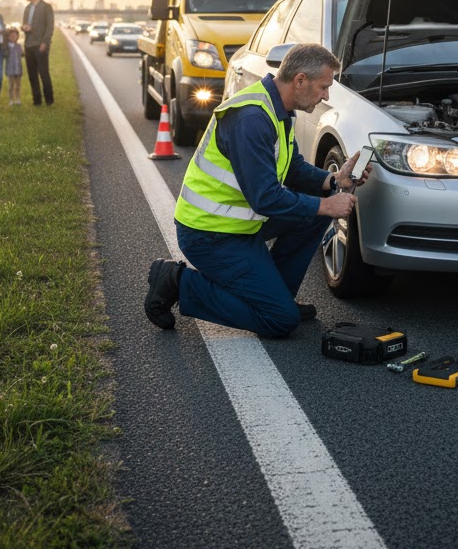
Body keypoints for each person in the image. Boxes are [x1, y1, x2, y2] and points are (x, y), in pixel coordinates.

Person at [143, 42, 368, 338]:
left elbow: (293, 168)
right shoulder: (251, 119)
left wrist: (336, 182)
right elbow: (265, 197)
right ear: (300, 80)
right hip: (210, 234)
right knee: (279, 321)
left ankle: (276, 296)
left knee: (321, 202)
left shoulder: (279, 109)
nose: (326, 95)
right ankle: (177, 281)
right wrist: (326, 206)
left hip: (240, 225)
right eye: (324, 87)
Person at [21, 0, 55, 106]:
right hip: (29, 45)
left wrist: (45, 43)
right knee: (32, 75)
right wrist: (24, 27)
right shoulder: (27, 8)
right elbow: (24, 24)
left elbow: (49, 27)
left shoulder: (46, 7)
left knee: (44, 73)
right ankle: (37, 101)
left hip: (40, 45)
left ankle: (49, 100)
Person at [4, 26, 24, 105]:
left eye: (15, 36)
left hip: (18, 68)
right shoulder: (7, 47)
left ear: (17, 37)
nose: (13, 37)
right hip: (10, 69)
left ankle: (18, 98)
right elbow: (4, 54)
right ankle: (11, 99)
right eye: (11, 36)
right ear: (8, 37)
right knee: (11, 85)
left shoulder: (18, 46)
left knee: (18, 85)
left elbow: (22, 54)